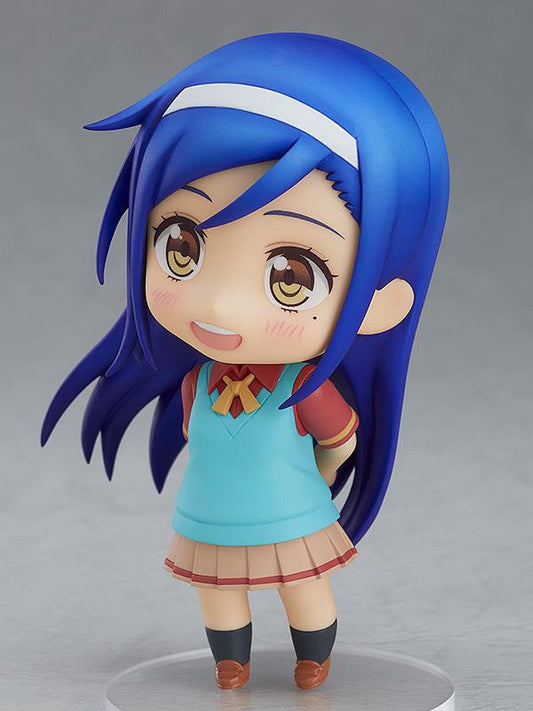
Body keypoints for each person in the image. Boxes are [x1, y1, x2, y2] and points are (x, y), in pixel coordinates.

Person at [42, 33, 449, 690]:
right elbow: (197, 435)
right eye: (181, 247)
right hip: (212, 510)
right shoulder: (198, 380)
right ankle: (230, 661)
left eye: (290, 275)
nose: (220, 305)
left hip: (291, 510)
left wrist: (313, 483)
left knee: (302, 586)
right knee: (217, 591)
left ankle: (312, 657)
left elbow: (339, 442)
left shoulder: (300, 387)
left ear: (380, 299)